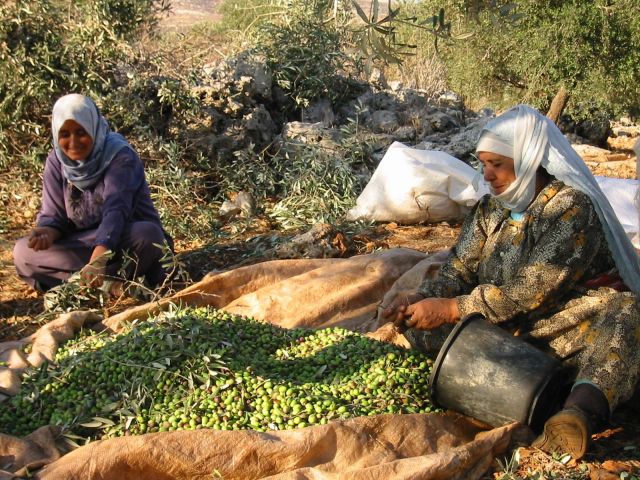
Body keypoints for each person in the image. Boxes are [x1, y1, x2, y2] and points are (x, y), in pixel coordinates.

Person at [383, 104, 640, 460]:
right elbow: (458, 270)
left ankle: (579, 412)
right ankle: (539, 390)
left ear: (530, 159)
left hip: (558, 322)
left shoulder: (569, 208)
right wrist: (419, 300)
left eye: (497, 164)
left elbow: (531, 291)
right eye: (483, 163)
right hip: (499, 328)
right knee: (418, 327)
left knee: (623, 311)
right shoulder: (491, 210)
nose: (487, 174)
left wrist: (451, 308)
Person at [13, 93, 173, 297]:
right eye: (65, 134)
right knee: (22, 253)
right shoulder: (56, 161)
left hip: (124, 239)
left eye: (81, 132)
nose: (73, 142)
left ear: (93, 127)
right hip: (85, 244)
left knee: (148, 235)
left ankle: (91, 282)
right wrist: (48, 232)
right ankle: (107, 285)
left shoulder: (119, 156)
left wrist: (99, 259)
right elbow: (54, 215)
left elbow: (117, 211)